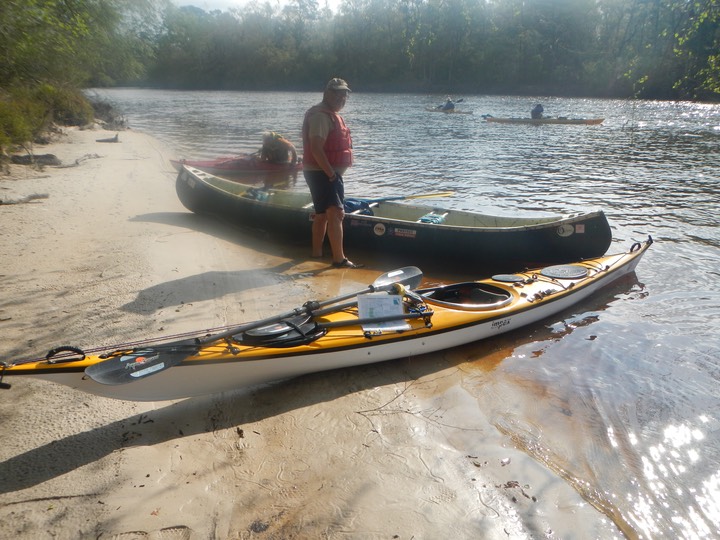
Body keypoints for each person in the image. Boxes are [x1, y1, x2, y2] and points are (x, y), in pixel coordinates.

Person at [302, 77, 362, 268]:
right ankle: (339, 259)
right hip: (323, 172)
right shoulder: (321, 116)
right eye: (337, 93)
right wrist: (331, 174)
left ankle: (316, 255)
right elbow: (316, 148)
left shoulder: (330, 114)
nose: (341, 98)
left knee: (321, 215)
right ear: (327, 93)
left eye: (344, 94)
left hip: (320, 172)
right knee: (336, 213)